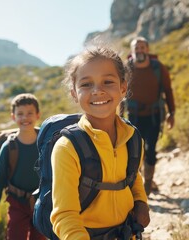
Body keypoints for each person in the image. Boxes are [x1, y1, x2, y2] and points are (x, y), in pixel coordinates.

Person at [50, 46, 150, 239]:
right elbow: (64, 216)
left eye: (108, 82)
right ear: (74, 92)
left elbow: (132, 175)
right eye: (86, 84)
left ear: (123, 87)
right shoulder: (67, 148)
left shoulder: (131, 137)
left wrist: (141, 201)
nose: (98, 91)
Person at [0, 93, 45, 240]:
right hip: (17, 204)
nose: (25, 118)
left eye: (30, 113)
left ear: (37, 115)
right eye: (20, 114)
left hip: (42, 204)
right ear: (13, 117)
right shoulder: (8, 147)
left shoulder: (45, 143)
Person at [127, 36, 175, 196]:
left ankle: (147, 187)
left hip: (154, 116)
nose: (139, 50)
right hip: (133, 118)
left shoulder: (158, 68)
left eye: (142, 47)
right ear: (132, 51)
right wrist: (117, 116)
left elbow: (168, 90)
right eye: (136, 48)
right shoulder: (126, 69)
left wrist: (171, 112)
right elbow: (119, 93)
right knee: (135, 152)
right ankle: (137, 186)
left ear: (147, 49)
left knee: (151, 150)